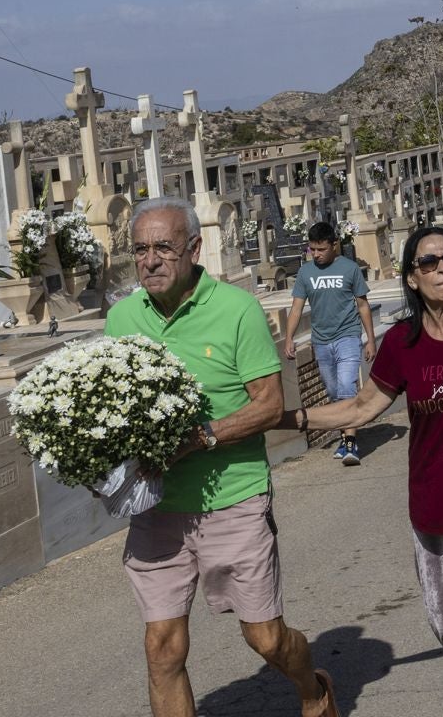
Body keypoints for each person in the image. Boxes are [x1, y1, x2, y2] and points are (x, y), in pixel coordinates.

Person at [283, 225, 443, 717]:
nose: (442, 266)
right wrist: (288, 417)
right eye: (429, 262)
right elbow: (360, 408)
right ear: (411, 278)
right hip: (433, 500)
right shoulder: (403, 342)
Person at [107, 197, 337, 717]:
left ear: (193, 248)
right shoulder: (122, 318)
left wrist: (200, 437)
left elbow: (270, 404)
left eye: (163, 247)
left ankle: (312, 688)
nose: (151, 260)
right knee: (161, 648)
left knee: (266, 640)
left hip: (232, 498)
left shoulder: (237, 310)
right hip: (157, 507)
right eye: (140, 250)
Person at [280, 221, 375, 467]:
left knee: (346, 386)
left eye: (321, 249)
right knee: (333, 392)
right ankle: (345, 437)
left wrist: (370, 340)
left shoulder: (350, 268)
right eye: (313, 250)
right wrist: (289, 337)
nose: (317, 254)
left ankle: (352, 444)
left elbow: (363, 305)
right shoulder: (305, 273)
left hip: (348, 335)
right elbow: (296, 308)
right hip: (321, 340)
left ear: (334, 245)